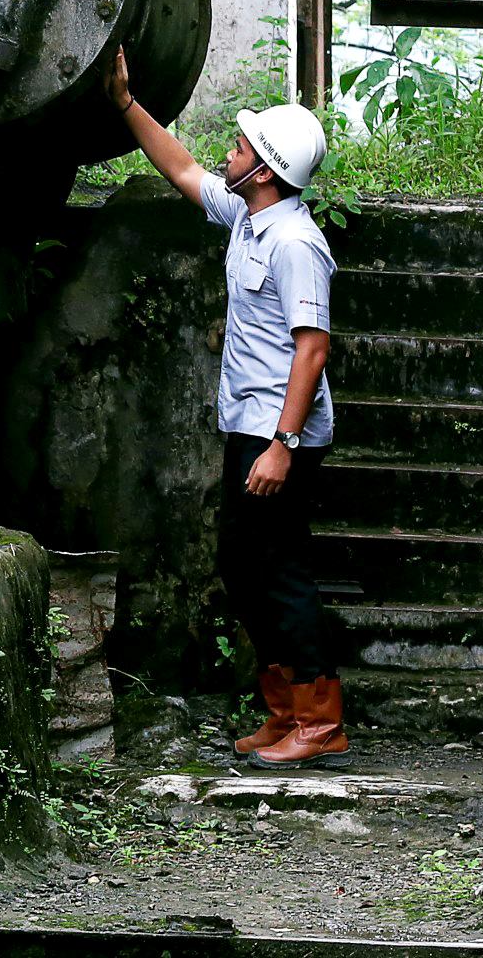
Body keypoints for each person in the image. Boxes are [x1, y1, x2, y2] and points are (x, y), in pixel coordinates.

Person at [107, 47, 346, 767]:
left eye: (241, 147)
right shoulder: (248, 216)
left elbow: (312, 350)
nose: (228, 153)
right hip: (250, 425)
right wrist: (125, 103)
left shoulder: (297, 242)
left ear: (265, 170)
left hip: (279, 434)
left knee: (278, 570)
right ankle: (285, 711)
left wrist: (283, 446)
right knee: (243, 567)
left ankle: (321, 721)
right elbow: (182, 169)